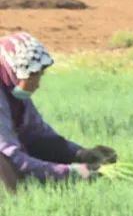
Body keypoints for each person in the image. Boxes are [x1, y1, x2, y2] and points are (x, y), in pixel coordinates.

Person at [0, 32, 116, 194]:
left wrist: (80, 154)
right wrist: (72, 173)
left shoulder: (13, 89)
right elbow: (13, 157)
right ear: (13, 72)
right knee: (3, 162)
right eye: (32, 77)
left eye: (39, 76)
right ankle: (12, 202)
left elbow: (38, 134)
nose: (37, 84)